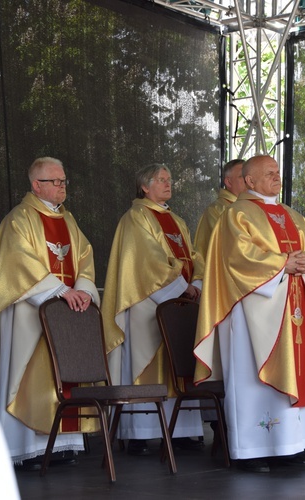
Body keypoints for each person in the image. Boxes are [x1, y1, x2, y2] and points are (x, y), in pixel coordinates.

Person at [194, 154, 305, 473]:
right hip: (253, 311)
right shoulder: (236, 215)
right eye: (269, 173)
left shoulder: (292, 214)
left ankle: (296, 443)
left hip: (295, 303)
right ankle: (254, 449)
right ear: (249, 181)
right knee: (252, 378)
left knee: (301, 368)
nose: (277, 177)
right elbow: (237, 258)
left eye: (277, 172)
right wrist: (282, 264)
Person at [0, 157, 98, 468]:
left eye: (64, 181)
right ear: (35, 185)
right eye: (55, 181)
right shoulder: (19, 219)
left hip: (69, 311)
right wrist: (60, 291)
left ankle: (64, 445)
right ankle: (23, 449)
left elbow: (84, 255)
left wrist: (81, 289)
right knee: (28, 373)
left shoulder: (68, 221)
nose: (62, 187)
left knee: (64, 371)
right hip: (28, 316)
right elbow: (18, 263)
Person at [102, 163, 205, 456]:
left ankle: (182, 430)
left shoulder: (178, 220)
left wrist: (196, 281)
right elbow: (146, 260)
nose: (167, 183)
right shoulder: (135, 217)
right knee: (146, 363)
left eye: (169, 179)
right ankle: (139, 432)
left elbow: (195, 255)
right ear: (144, 186)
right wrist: (181, 285)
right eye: (161, 180)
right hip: (147, 303)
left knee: (178, 363)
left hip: (181, 301)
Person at [193, 159, 245, 260]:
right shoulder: (216, 210)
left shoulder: (253, 206)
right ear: (228, 182)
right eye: (241, 177)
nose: (247, 180)